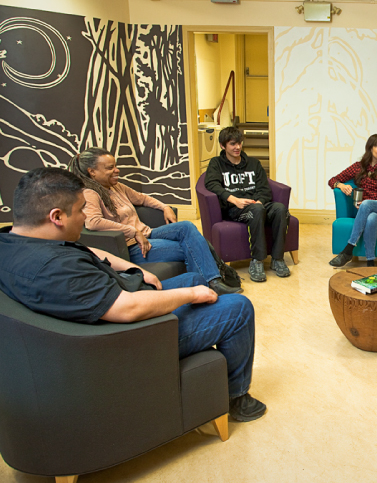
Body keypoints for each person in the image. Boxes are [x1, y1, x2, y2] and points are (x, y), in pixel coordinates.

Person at [0, 168, 265, 422]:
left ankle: (206, 365)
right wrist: (190, 295)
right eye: (80, 209)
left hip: (123, 298)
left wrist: (133, 267)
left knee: (196, 278)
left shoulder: (16, 241)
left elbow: (88, 252)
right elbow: (127, 309)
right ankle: (237, 398)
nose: (85, 217)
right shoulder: (54, 269)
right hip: (132, 337)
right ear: (56, 216)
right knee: (238, 308)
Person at [68, 148, 240, 296]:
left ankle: (212, 282)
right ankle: (211, 283)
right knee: (193, 246)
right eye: (110, 167)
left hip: (148, 233)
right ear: (92, 172)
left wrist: (165, 207)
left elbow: (142, 199)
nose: (117, 170)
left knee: (187, 227)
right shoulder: (90, 193)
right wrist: (132, 231)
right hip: (133, 246)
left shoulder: (115, 186)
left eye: (115, 165)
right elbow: (93, 222)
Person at [204, 126, 290, 283]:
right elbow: (211, 184)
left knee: (280, 209)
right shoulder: (216, 163)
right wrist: (233, 199)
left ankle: (277, 259)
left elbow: (264, 189)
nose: (237, 147)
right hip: (235, 209)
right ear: (223, 146)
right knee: (256, 210)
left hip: (256, 205)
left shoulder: (253, 163)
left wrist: (260, 201)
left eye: (239, 143)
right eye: (232, 144)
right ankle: (257, 260)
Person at [328, 134, 377, 267]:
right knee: (371, 218)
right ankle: (370, 262)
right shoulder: (358, 167)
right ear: (370, 148)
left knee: (367, 204)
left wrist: (376, 202)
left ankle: (349, 248)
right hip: (368, 211)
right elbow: (332, 180)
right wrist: (342, 185)